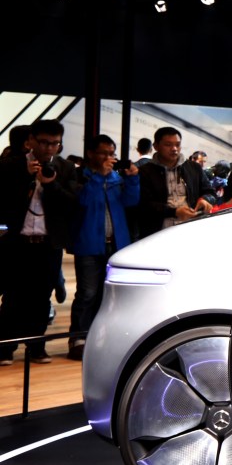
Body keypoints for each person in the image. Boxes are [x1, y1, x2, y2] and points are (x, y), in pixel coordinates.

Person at [0, 119, 78, 365]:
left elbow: (71, 203)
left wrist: (50, 184)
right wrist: (25, 176)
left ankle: (37, 347)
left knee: (42, 297)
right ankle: (5, 348)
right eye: (44, 142)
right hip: (16, 241)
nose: (49, 148)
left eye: (55, 143)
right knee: (12, 296)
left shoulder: (65, 168)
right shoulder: (10, 165)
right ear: (31, 140)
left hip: (48, 243)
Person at [69, 134, 140, 360]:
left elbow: (131, 202)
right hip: (89, 244)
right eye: (104, 153)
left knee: (109, 295)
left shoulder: (117, 178)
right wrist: (100, 176)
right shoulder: (81, 176)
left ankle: (102, 338)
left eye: (112, 153)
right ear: (90, 153)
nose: (109, 158)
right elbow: (84, 201)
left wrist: (132, 179)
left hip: (117, 244)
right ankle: (78, 339)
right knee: (87, 293)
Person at [137, 127, 213, 238]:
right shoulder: (145, 171)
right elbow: (145, 204)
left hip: (192, 226)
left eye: (177, 144)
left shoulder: (193, 168)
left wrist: (205, 199)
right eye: (168, 145)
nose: (174, 149)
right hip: (158, 231)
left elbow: (210, 192)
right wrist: (175, 211)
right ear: (156, 146)